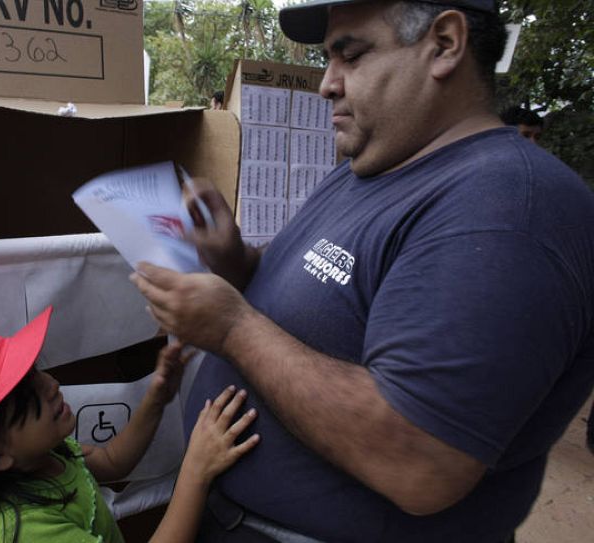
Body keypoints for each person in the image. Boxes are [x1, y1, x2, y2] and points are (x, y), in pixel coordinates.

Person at [130, 1, 594, 541]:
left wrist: (233, 329)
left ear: (445, 44)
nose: (327, 84)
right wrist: (234, 260)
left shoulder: (506, 208)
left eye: (350, 56)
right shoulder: (371, 168)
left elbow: (420, 461)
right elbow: (318, 300)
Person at [0, 306, 260, 543]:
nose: (51, 385)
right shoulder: (26, 532)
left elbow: (112, 461)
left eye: (35, 372)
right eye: (28, 397)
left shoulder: (46, 457)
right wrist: (196, 470)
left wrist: (156, 398)